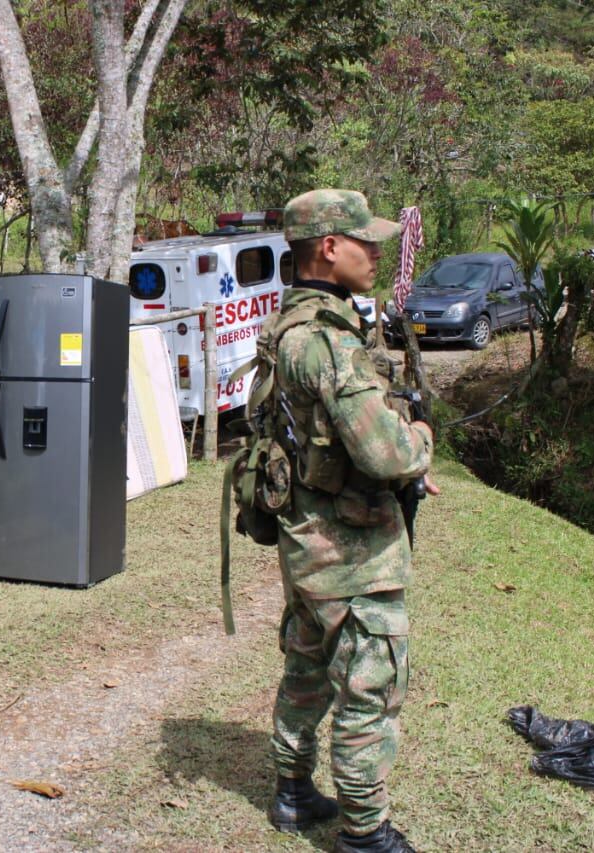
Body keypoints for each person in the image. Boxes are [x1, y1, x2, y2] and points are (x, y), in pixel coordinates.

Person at [259, 190, 437, 852]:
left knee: (308, 663)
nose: (378, 252)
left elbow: (317, 437)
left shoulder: (288, 329)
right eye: (367, 241)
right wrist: (418, 441)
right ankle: (364, 831)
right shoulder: (328, 343)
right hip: (350, 546)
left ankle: (293, 789)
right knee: (371, 677)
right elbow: (385, 448)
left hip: (307, 537)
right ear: (329, 247)